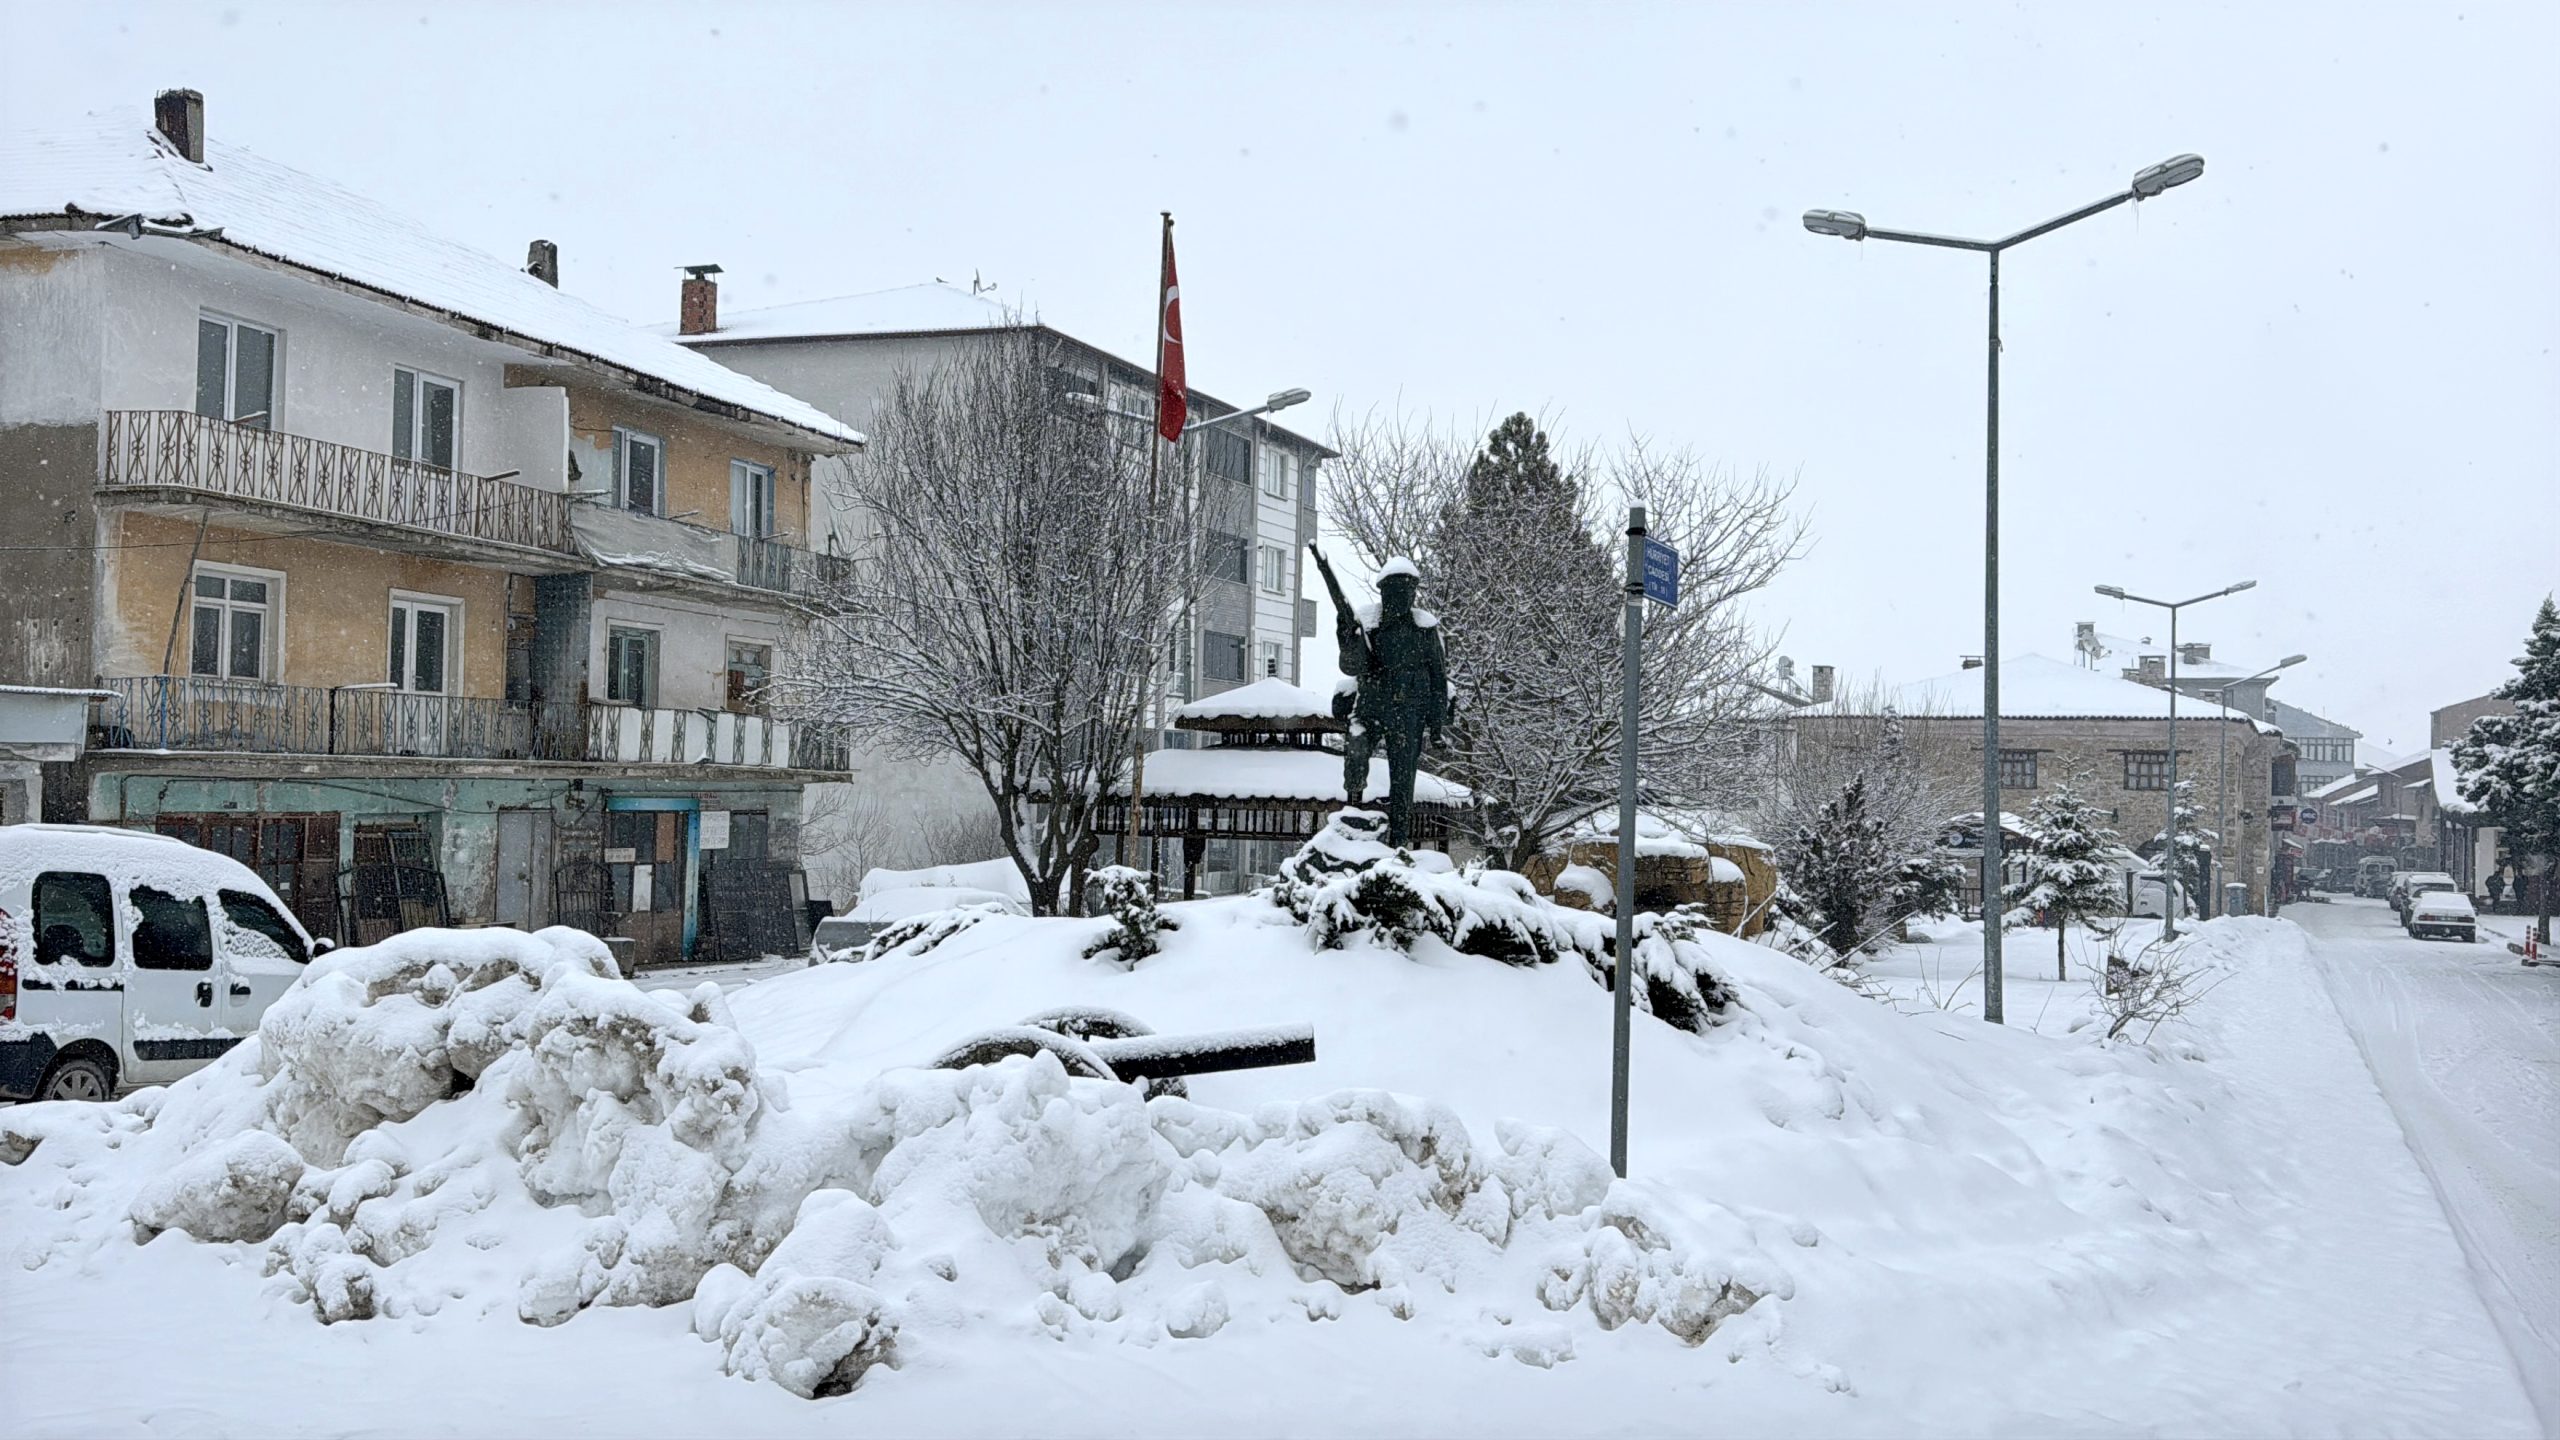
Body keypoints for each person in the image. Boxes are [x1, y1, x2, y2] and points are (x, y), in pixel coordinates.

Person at [1308, 547, 1449, 846]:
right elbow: (1351, 665)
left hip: (1408, 711)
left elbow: (1438, 677)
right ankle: (1352, 811)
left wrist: (1436, 725)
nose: (1400, 597)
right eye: (1394, 591)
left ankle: (1398, 843)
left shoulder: (1425, 628)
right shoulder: (1368, 622)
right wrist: (1347, 637)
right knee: (1357, 746)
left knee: (1403, 780)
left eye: (1405, 591)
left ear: (1413, 593)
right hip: (1371, 706)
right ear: (1384, 593)